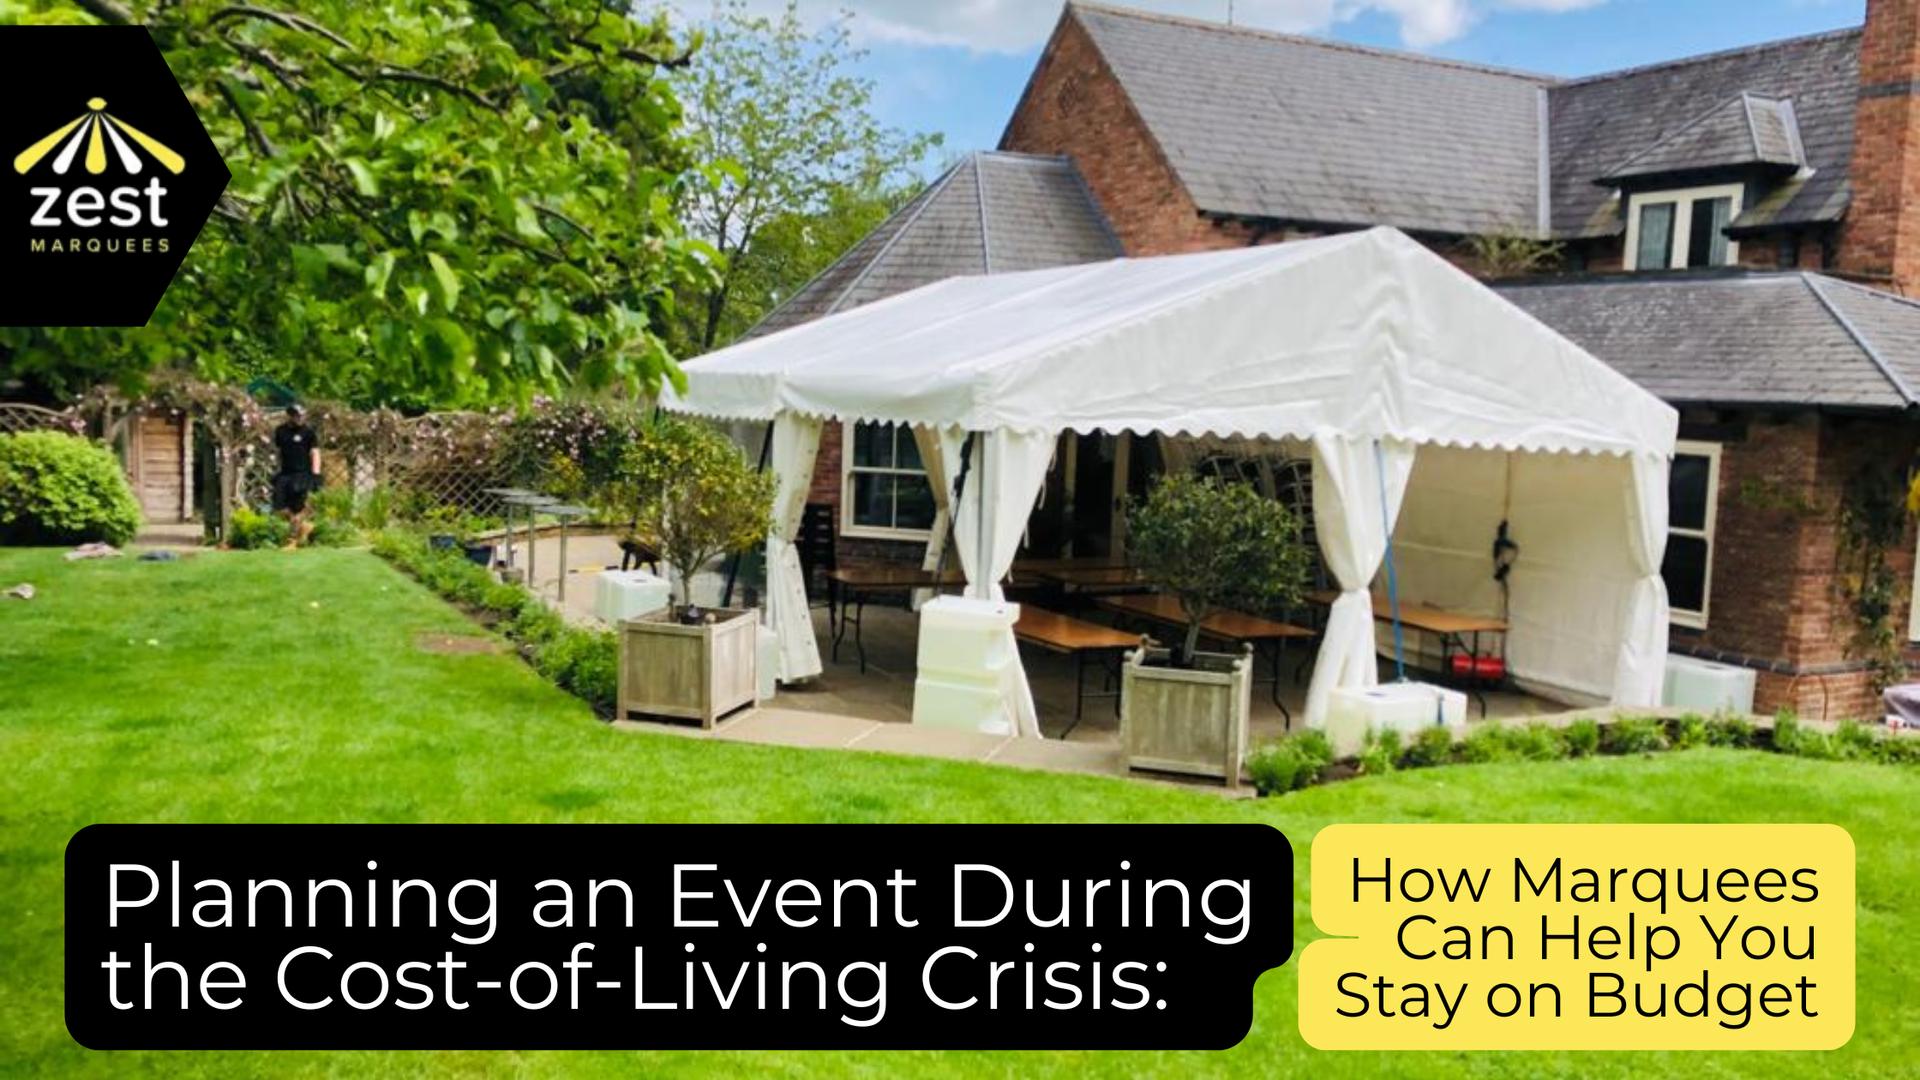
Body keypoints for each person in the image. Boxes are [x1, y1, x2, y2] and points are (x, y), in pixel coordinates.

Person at [271, 404, 321, 545]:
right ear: (290, 416)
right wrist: (276, 469)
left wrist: (316, 474)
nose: (301, 418)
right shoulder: (280, 431)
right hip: (285, 474)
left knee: (300, 506)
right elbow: (277, 452)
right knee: (279, 506)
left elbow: (315, 453)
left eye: (302, 416)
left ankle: (294, 537)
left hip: (303, 474)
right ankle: (301, 529)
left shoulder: (308, 432)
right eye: (298, 416)